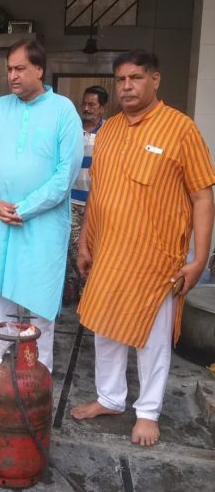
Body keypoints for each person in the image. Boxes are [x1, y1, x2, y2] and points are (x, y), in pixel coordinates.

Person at [70, 50, 215, 446]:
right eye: (121, 79)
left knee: (152, 338)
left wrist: (199, 258)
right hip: (109, 253)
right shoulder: (110, 129)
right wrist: (85, 242)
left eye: (135, 77)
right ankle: (110, 398)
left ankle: (148, 412)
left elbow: (203, 196)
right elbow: (97, 192)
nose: (127, 86)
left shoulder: (180, 129)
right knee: (105, 329)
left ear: (156, 79)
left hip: (156, 259)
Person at [0, 39, 84, 372]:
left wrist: (25, 208)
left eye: (20, 69)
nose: (12, 76)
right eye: (9, 69)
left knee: (39, 296)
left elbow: (66, 174)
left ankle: (39, 364)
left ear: (39, 69)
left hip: (40, 221)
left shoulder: (63, 111)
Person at [64, 85, 108, 301]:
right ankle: (80, 289)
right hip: (71, 200)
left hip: (97, 204)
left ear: (102, 108)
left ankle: (88, 293)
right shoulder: (73, 129)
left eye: (92, 104)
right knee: (74, 249)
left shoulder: (110, 132)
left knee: (93, 249)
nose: (86, 108)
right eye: (85, 103)